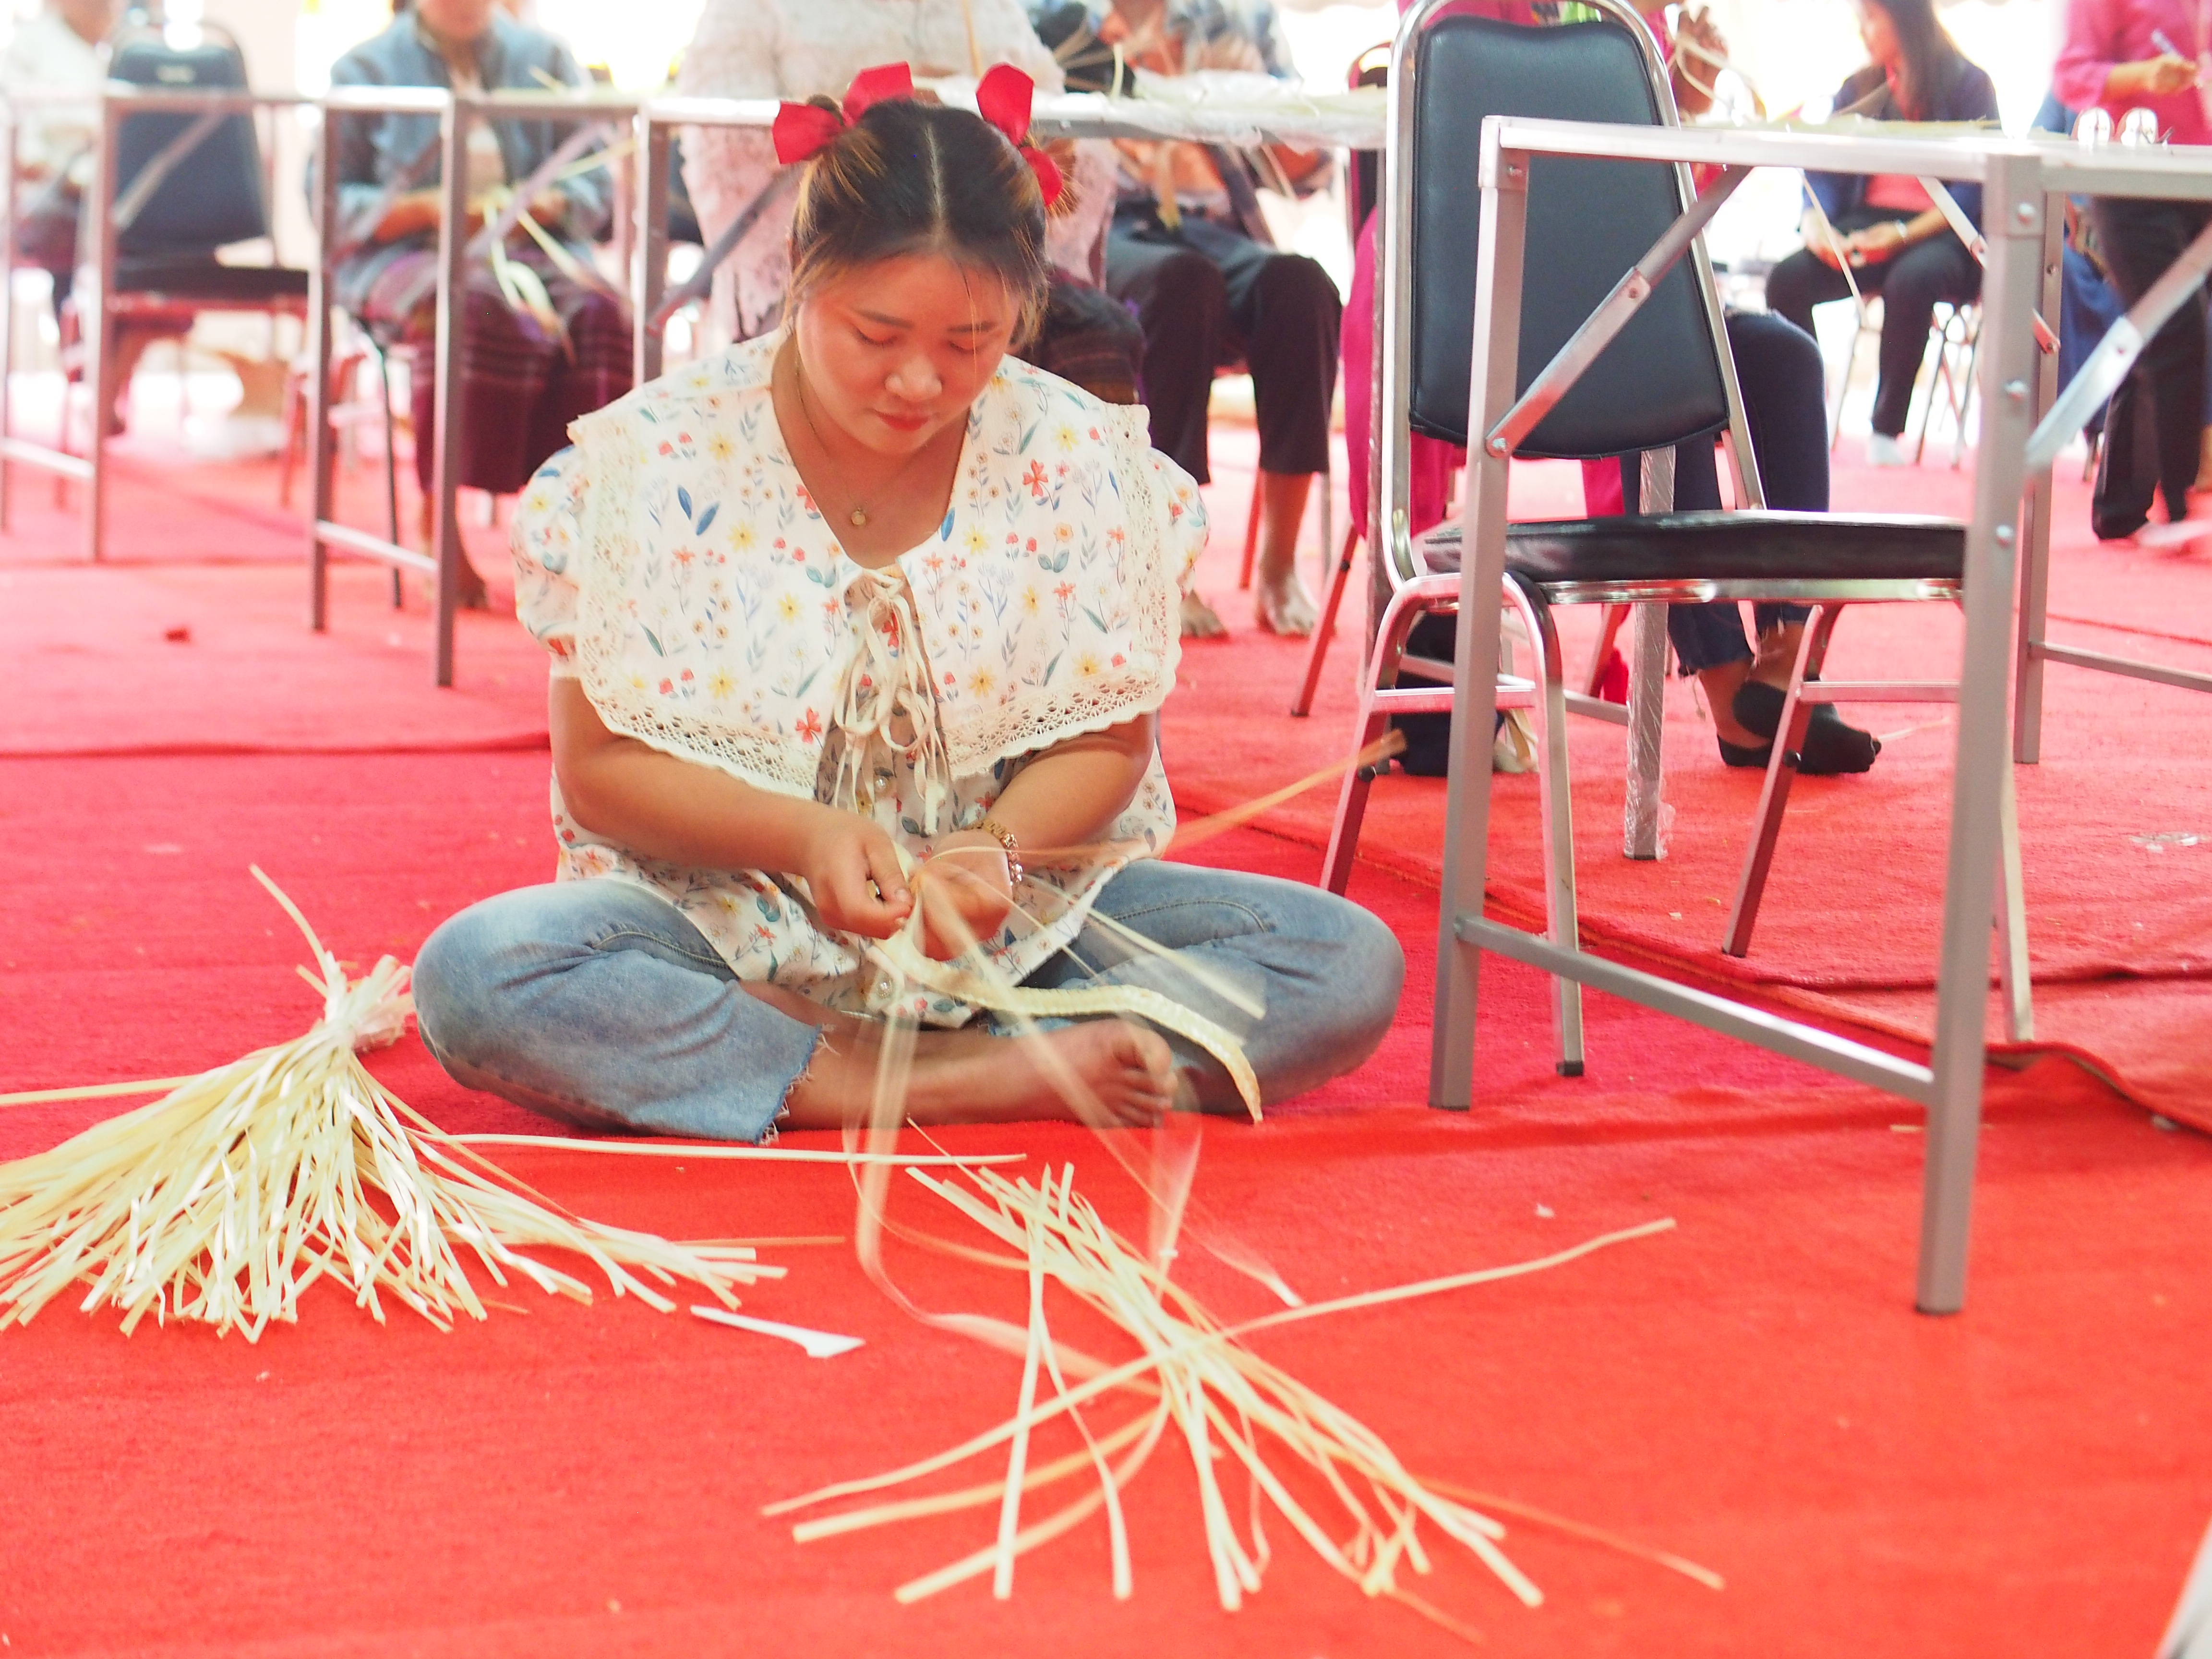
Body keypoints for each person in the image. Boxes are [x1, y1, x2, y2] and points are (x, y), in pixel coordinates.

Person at [410, 73, 1403, 1138]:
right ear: (802, 278)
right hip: (725, 928)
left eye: (970, 344)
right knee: (481, 975)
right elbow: (599, 771)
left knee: (1346, 965)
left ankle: (791, 1061)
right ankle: (946, 1076)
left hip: (1007, 933)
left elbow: (1113, 744)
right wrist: (805, 839)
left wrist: (999, 851)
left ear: (1024, 307)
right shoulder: (657, 458)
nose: (920, 383)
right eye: (876, 336)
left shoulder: (1073, 454)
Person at [674, 0, 1140, 400]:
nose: (919, 384)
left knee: (1092, 327)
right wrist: (867, 134)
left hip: (983, 248)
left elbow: (1052, 117)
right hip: (850, 247)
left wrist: (1048, 152)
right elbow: (725, 143)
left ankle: (1074, 499)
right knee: (872, 319)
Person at [1050, 0, 1341, 639]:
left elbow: (1311, 161)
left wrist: (1271, 121)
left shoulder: (1239, 18)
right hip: (1106, 224)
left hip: (1213, 223)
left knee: (1303, 287)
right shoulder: (1056, 13)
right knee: (1183, 285)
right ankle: (1165, 568)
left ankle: (1281, 565)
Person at [326, 0, 630, 606]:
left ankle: (578, 521)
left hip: (530, 246)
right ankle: (440, 517)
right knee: (475, 309)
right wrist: (428, 208)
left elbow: (595, 186)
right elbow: (331, 207)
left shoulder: (545, 58)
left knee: (604, 313)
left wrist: (544, 205)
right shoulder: (364, 69)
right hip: (414, 252)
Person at [1762, 0, 1999, 469]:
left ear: (1905, 14)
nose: (1863, 31)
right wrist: (1818, 227)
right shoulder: (1859, 85)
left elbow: (1977, 192)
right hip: (1867, 222)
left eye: (1871, 18)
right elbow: (1824, 172)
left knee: (1910, 281)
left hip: (1947, 234)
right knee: (1786, 281)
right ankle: (1804, 410)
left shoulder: (1973, 85)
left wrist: (1902, 234)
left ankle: (1886, 429)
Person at [2055, 0, 2212, 530]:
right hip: (2133, 170)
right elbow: (2073, 74)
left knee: (2163, 332)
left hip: (2201, 174)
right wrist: (2148, 74)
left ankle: (2129, 506)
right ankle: (2175, 503)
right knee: (2173, 326)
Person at [4, 0, 118, 309]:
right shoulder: (31, 46)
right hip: (65, 198)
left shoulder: (135, 43)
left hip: (127, 196)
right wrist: (70, 178)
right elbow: (21, 152)